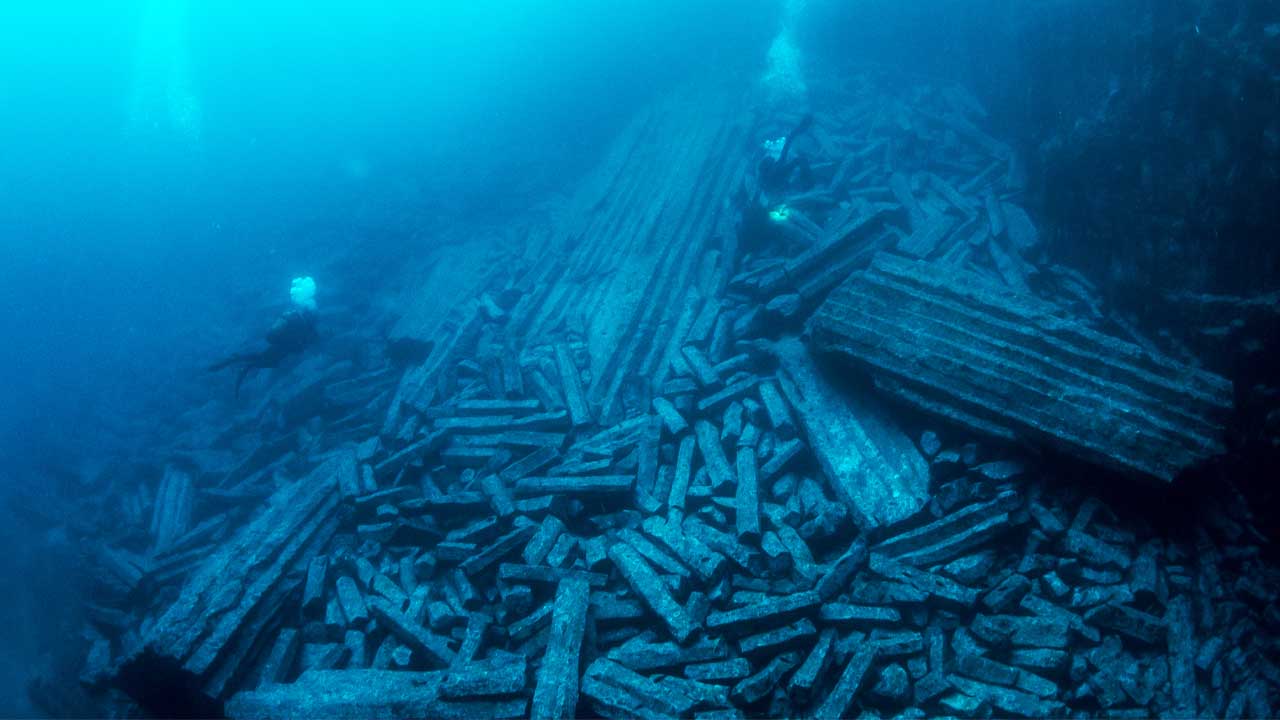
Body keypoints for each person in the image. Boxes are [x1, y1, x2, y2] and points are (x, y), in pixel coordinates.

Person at [209, 277, 319, 397]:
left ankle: (232, 362)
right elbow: (303, 343)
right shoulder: (303, 325)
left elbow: (298, 342)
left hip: (278, 348)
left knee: (258, 359)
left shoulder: (300, 322)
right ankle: (234, 364)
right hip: (279, 350)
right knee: (259, 361)